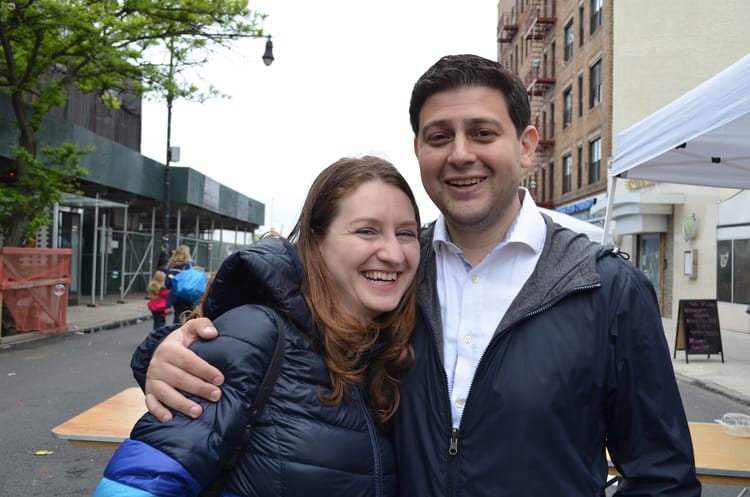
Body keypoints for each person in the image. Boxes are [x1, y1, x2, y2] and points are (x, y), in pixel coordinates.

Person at [134, 55, 701, 496]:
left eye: (483, 133)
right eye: (439, 136)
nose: (460, 154)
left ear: (526, 147)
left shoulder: (606, 288)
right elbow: (290, 318)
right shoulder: (393, 275)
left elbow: (662, 475)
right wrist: (165, 350)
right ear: (419, 150)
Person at [92, 156, 421, 497]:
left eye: (406, 233)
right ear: (316, 241)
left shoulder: (390, 346)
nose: (394, 254)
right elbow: (136, 484)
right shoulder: (256, 332)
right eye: (367, 231)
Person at [164, 244, 198, 323]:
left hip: (176, 296)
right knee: (190, 317)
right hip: (190, 295)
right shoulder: (192, 266)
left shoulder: (172, 267)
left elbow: (167, 283)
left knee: (178, 316)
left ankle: (176, 332)